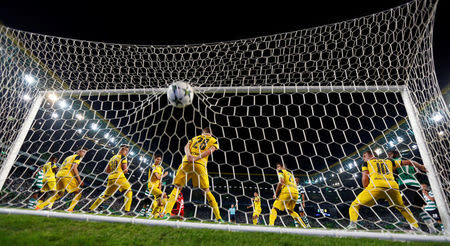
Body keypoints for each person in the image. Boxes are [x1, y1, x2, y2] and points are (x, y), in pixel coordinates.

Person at [163, 127, 223, 222]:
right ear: (210, 134)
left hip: (186, 162)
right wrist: (196, 158)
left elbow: (186, 146)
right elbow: (210, 150)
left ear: (203, 132)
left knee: (177, 188)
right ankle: (219, 218)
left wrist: (189, 156)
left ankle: (166, 213)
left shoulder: (195, 138)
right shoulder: (213, 140)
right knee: (206, 190)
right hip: (200, 164)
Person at [348, 151, 419, 230]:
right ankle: (416, 226)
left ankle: (352, 225)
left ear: (372, 155)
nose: (363, 158)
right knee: (402, 207)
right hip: (392, 186)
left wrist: (367, 190)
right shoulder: (388, 161)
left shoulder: (367, 163)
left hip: (376, 186)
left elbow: (365, 178)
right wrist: (420, 166)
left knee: (354, 205)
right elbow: (408, 162)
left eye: (365, 156)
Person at [90, 145, 133, 214]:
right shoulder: (123, 157)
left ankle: (91, 208)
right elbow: (125, 170)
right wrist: (122, 171)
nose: (126, 152)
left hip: (111, 178)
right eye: (126, 150)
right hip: (120, 177)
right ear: (121, 150)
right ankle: (127, 211)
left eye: (127, 151)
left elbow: (107, 170)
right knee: (128, 192)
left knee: (105, 195)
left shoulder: (112, 157)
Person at [269, 162, 306, 227]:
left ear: (283, 167)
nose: (277, 168)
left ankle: (271, 225)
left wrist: (275, 193)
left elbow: (281, 182)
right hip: (295, 192)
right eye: (277, 167)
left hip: (287, 191)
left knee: (274, 207)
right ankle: (304, 226)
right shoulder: (290, 174)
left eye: (278, 167)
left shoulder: (281, 171)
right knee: (290, 211)